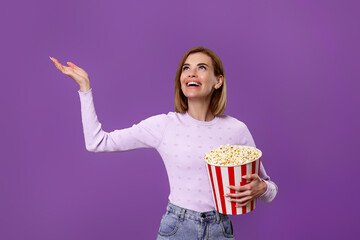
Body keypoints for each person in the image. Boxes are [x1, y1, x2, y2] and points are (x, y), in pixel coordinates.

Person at [50, 46, 278, 240]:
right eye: (186, 68)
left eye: (202, 67)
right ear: (180, 80)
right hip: (178, 228)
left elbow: (270, 189)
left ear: (218, 81)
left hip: (221, 229)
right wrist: (85, 88)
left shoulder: (236, 130)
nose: (191, 73)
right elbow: (97, 142)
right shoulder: (164, 126)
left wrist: (263, 188)